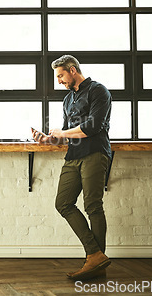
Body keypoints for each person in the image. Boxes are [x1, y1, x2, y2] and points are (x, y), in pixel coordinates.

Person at [33, 54, 112, 281]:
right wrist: (48, 139)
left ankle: (96, 263)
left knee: (93, 206)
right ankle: (96, 255)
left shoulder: (99, 91)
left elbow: (92, 127)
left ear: (72, 70)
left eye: (60, 76)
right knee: (63, 203)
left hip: (95, 153)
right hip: (73, 156)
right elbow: (67, 136)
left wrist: (62, 133)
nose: (59, 81)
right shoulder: (67, 100)